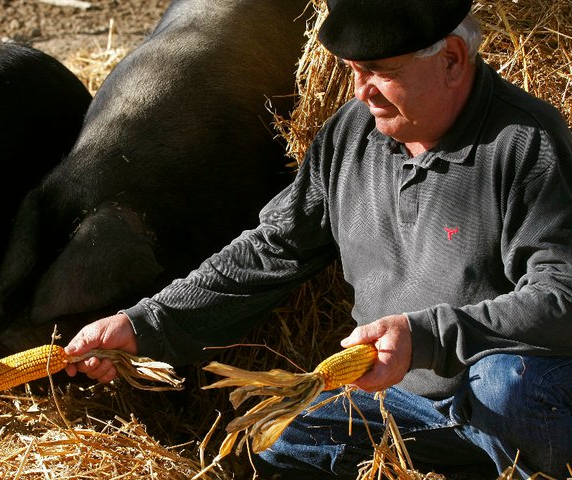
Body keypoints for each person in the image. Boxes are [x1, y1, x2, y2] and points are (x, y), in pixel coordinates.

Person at [64, 0, 572, 477]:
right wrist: (144, 323)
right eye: (355, 70)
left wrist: (427, 337)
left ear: (453, 59)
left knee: (513, 386)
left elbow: (562, 296)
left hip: (494, 399)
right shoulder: (351, 135)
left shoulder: (527, 146)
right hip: (395, 404)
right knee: (268, 439)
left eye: (383, 72)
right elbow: (272, 249)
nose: (362, 91)